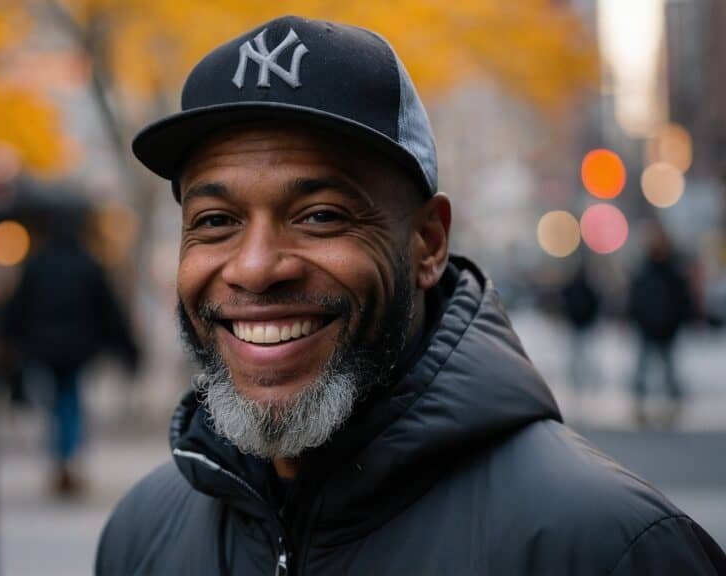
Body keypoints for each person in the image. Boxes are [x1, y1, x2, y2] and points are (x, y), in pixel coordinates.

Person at [96, 16, 726, 574]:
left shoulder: (607, 548)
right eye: (215, 222)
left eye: (319, 215)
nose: (256, 268)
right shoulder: (140, 535)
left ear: (428, 243)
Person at [6, 209, 139, 496]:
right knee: (70, 400)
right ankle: (68, 461)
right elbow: (109, 310)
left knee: (55, 404)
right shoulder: (88, 265)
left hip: (44, 348)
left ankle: (60, 461)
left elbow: (17, 307)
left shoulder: (37, 265)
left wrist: (10, 339)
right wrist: (127, 348)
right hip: (79, 349)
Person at [628, 225, 694, 427]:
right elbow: (635, 298)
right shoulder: (644, 270)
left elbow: (683, 300)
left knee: (669, 369)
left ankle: (674, 402)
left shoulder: (673, 271)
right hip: (647, 328)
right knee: (644, 368)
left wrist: (678, 321)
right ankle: (640, 402)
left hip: (667, 329)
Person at [559, 258, 601, 392]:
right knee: (579, 355)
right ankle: (577, 379)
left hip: (582, 324)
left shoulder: (582, 287)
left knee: (581, 355)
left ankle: (580, 378)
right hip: (578, 324)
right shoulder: (584, 287)